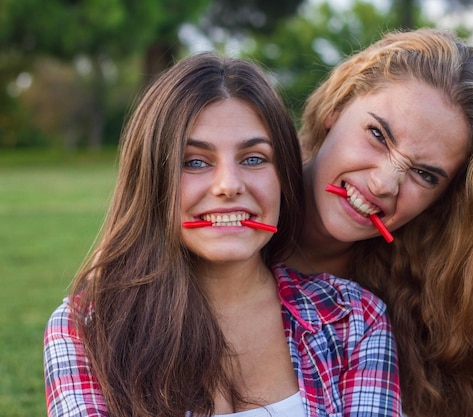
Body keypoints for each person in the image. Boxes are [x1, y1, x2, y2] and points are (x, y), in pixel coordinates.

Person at [43, 53, 401, 417]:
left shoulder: (352, 318)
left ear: (283, 176)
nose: (229, 185)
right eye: (195, 162)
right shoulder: (84, 329)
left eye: (254, 159)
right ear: (151, 179)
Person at [286, 28, 473, 417]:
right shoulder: (218, 210)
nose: (383, 184)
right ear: (336, 107)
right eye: (378, 135)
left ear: (444, 199)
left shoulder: (410, 312)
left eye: (425, 175)